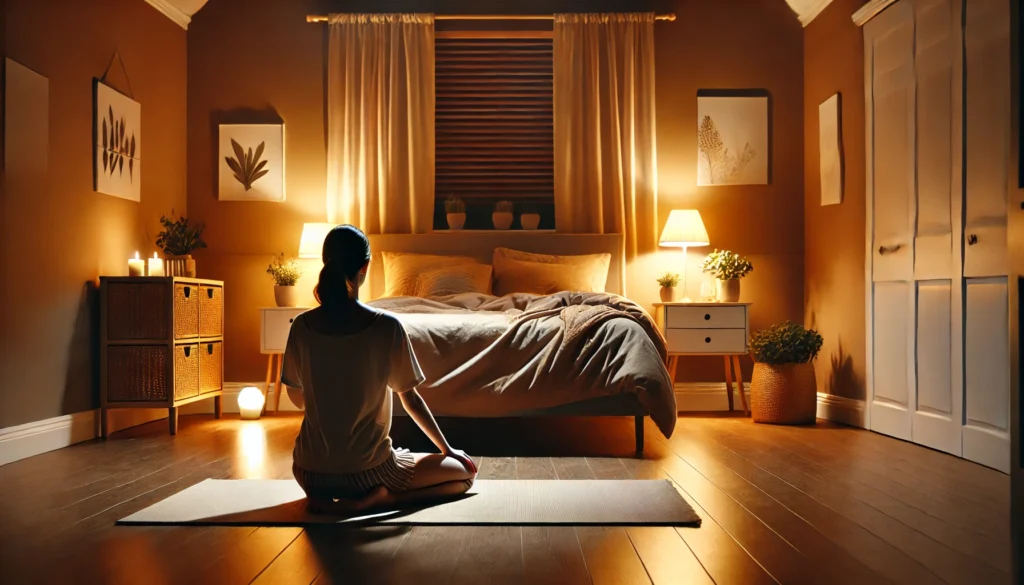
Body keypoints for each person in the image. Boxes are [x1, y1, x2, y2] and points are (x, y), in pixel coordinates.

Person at [281, 224, 477, 515]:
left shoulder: (301, 326)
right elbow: (411, 400)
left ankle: (320, 498)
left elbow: (296, 396)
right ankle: (386, 500)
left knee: (335, 473)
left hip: (308, 473)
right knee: (465, 475)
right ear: (366, 266)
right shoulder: (386, 327)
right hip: (368, 473)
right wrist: (448, 450)